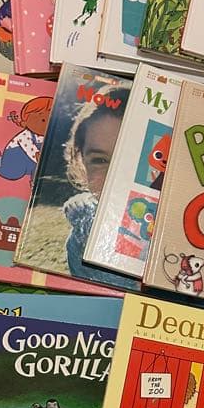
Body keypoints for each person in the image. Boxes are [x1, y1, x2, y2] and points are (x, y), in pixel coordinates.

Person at [62, 88, 129, 278]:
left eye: (131, 158)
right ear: (82, 162)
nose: (116, 176)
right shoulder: (80, 242)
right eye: (100, 160)